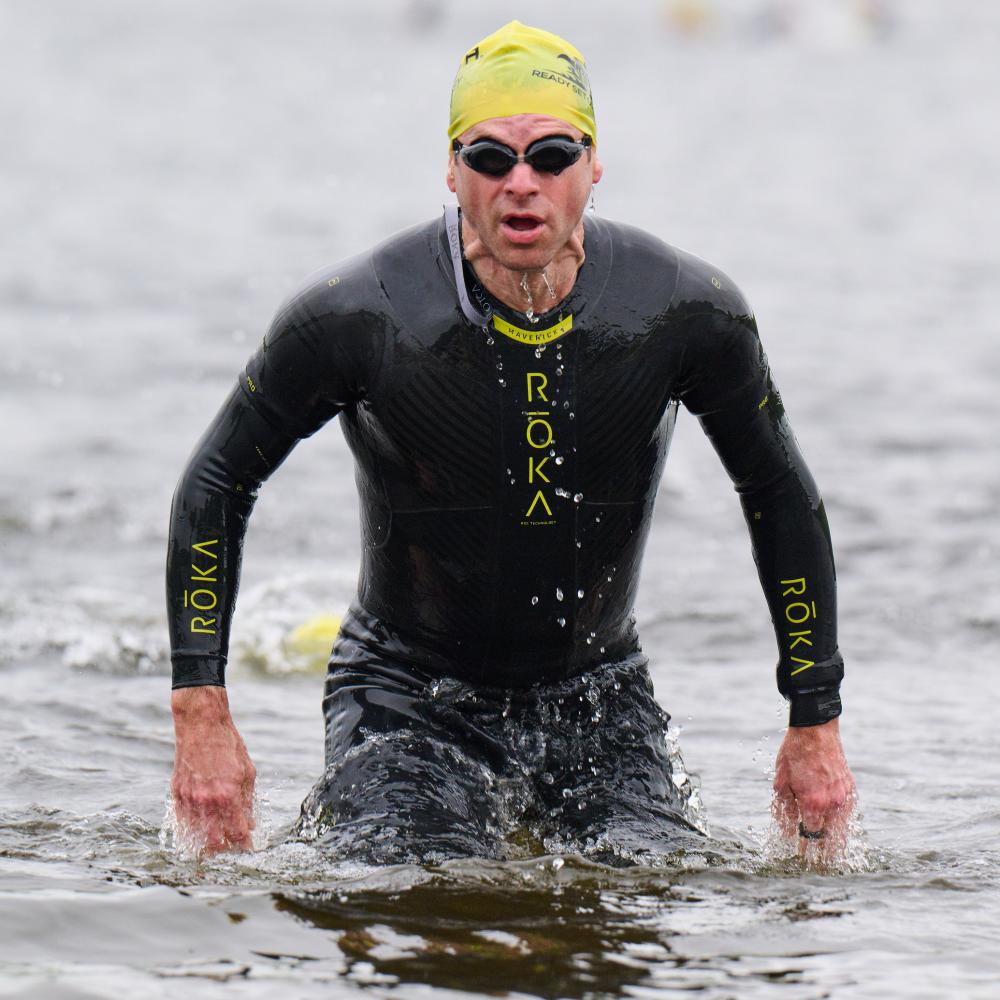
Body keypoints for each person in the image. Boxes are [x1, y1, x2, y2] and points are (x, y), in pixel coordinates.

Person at [167, 20, 855, 862]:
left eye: (552, 156)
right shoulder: (362, 314)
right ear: (452, 170)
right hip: (406, 698)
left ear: (593, 165)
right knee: (418, 891)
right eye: (491, 158)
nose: (521, 184)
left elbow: (777, 492)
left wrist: (815, 722)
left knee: (652, 883)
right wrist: (201, 715)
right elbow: (217, 480)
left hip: (598, 698)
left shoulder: (683, 310)